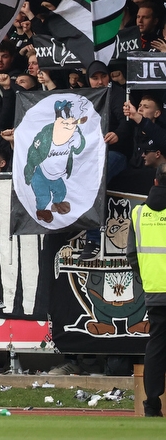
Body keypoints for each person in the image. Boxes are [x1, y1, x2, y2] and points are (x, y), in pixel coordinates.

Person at [129, 163, 166, 417]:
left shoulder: (139, 213)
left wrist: (147, 278)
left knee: (156, 345)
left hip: (154, 290)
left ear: (155, 182)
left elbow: (132, 255)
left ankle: (152, 404)